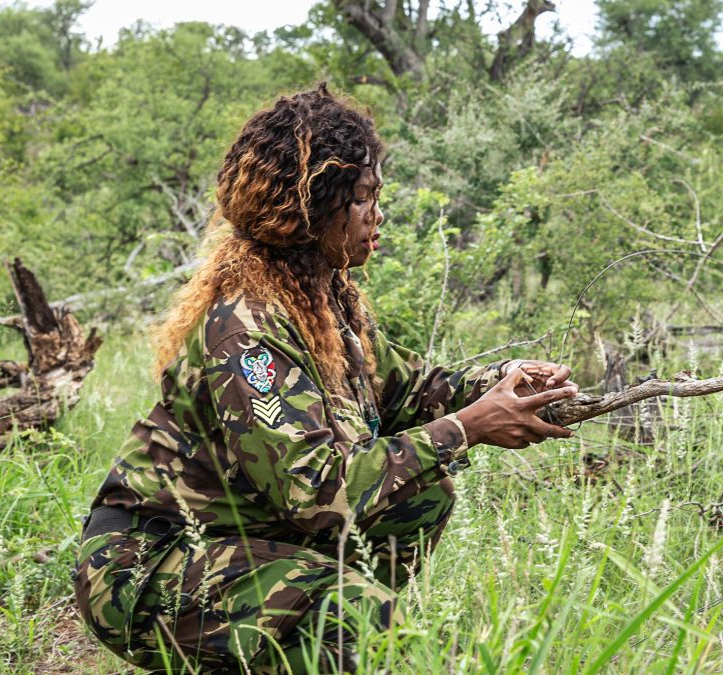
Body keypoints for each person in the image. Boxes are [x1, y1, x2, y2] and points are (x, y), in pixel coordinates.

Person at [73, 84, 578, 673]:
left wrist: (506, 381)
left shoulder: (323, 297)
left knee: (418, 497)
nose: (378, 214)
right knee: (358, 616)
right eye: (363, 198)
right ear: (310, 208)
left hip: (231, 539)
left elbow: (411, 389)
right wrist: (467, 429)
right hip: (147, 569)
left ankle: (299, 646)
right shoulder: (246, 328)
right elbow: (317, 494)